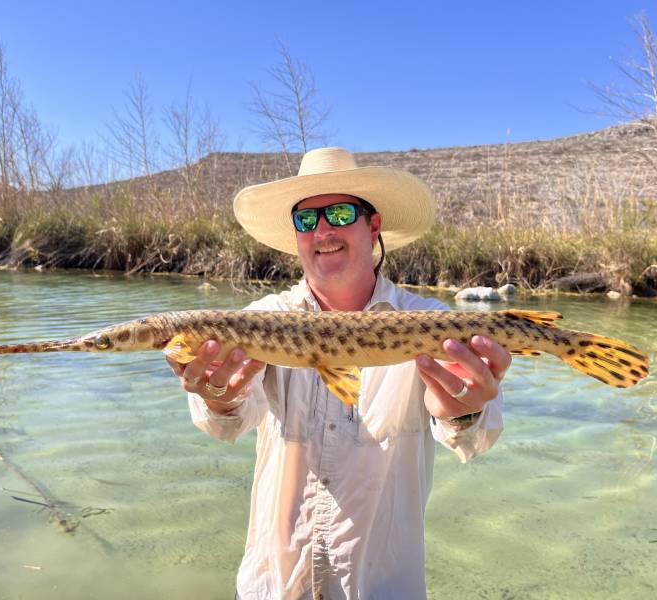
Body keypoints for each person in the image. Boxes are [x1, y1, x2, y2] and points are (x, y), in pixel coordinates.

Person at [167, 147, 511, 600]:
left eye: (340, 212)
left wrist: (462, 412)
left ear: (372, 226)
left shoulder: (429, 319)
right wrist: (217, 396)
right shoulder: (262, 318)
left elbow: (474, 438)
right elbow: (227, 422)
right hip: (272, 587)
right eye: (306, 220)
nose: (322, 229)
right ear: (296, 236)